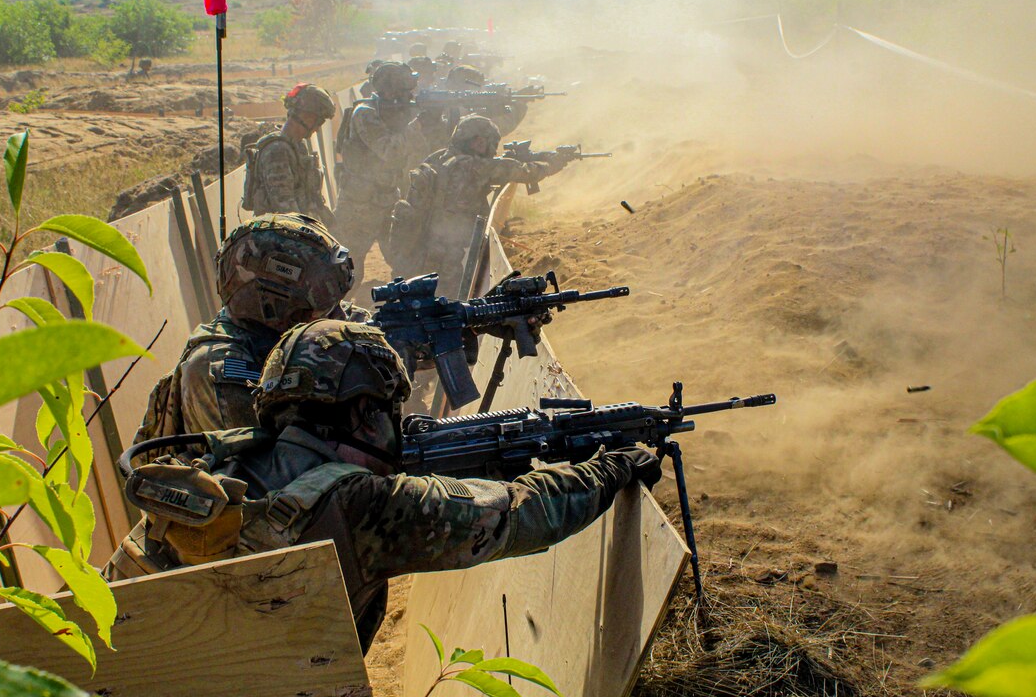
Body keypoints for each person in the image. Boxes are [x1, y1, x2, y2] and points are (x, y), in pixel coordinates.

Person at [110, 319, 661, 652]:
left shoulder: (211, 473)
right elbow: (520, 514)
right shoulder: (361, 504)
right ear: (365, 411)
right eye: (389, 412)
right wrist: (612, 467)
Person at [132, 214, 357, 446]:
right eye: (323, 303)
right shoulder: (220, 368)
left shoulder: (281, 335)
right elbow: (270, 471)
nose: (339, 315)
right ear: (274, 304)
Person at [389, 115, 571, 296]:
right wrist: (555, 161)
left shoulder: (437, 158)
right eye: (485, 143)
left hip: (418, 247)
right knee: (451, 303)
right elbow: (527, 172)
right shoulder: (473, 166)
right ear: (476, 141)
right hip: (445, 253)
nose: (488, 148)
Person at [334, 62, 429, 290]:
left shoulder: (395, 113)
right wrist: (418, 125)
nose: (410, 94)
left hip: (387, 200)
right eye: (405, 88)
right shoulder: (365, 114)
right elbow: (389, 150)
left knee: (405, 262)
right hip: (359, 206)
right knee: (347, 273)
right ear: (390, 90)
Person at [241, 83, 336, 223]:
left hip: (300, 231)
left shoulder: (297, 147)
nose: (317, 128)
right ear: (308, 116)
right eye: (319, 121)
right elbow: (285, 208)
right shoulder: (277, 152)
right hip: (283, 236)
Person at [444, 64, 528, 138]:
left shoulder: (445, 103)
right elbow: (501, 127)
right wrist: (519, 104)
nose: (481, 91)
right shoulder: (451, 108)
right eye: (478, 87)